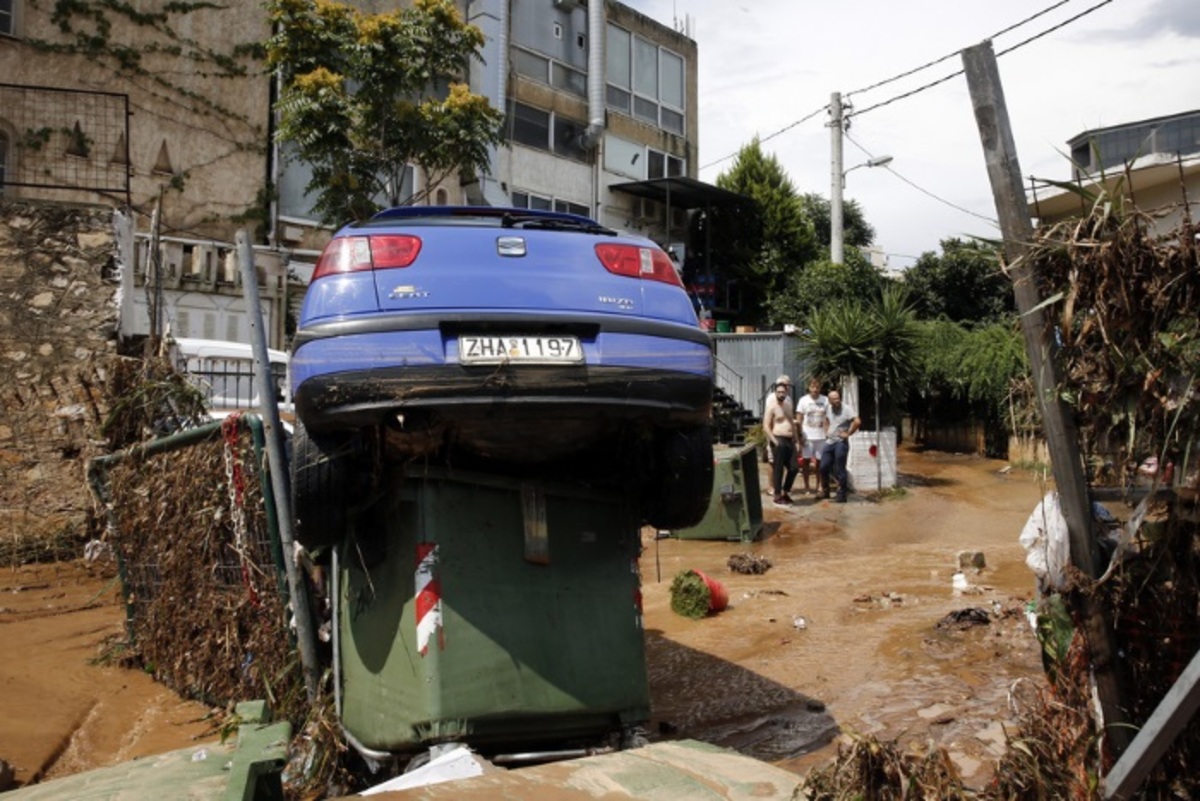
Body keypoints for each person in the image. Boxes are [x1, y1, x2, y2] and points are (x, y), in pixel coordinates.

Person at [763, 375, 801, 505]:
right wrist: (774, 441)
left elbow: (792, 423)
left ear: (786, 392)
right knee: (778, 468)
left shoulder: (788, 405)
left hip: (790, 440)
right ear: (775, 393)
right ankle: (778, 495)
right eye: (778, 392)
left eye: (783, 392)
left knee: (794, 468)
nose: (780, 394)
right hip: (778, 439)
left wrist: (797, 441)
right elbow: (766, 426)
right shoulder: (772, 406)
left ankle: (786, 491)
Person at [819, 389, 860, 503]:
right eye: (834, 399)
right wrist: (826, 431)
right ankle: (825, 490)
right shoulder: (828, 408)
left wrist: (848, 433)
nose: (837, 400)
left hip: (840, 442)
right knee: (823, 466)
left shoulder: (846, 408)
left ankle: (842, 495)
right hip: (830, 441)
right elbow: (826, 419)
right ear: (830, 400)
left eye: (838, 398)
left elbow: (857, 421)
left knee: (840, 468)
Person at [795, 378, 829, 495]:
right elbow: (799, 419)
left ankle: (819, 485)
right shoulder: (803, 400)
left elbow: (827, 418)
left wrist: (828, 433)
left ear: (820, 388)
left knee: (820, 462)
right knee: (805, 461)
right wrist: (799, 436)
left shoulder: (825, 400)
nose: (815, 389)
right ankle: (806, 486)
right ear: (809, 388)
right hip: (807, 436)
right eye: (813, 387)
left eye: (817, 387)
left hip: (821, 436)